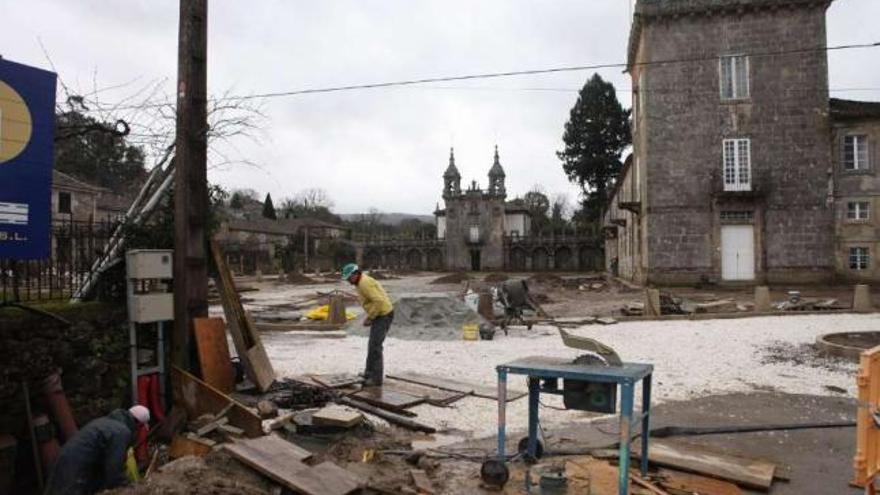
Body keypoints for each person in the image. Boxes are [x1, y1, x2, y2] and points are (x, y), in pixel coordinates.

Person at [46, 405, 150, 495]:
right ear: (139, 425)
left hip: (67, 460)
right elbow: (114, 469)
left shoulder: (106, 422)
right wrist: (130, 486)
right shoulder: (121, 432)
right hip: (76, 468)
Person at [342, 263, 394, 386]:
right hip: (380, 314)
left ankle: (376, 379)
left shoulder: (364, 283)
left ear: (356, 274)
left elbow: (378, 301)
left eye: (349, 278)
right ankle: (369, 373)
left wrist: (370, 317)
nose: (348, 281)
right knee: (372, 345)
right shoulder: (360, 282)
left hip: (383, 315)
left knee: (375, 347)